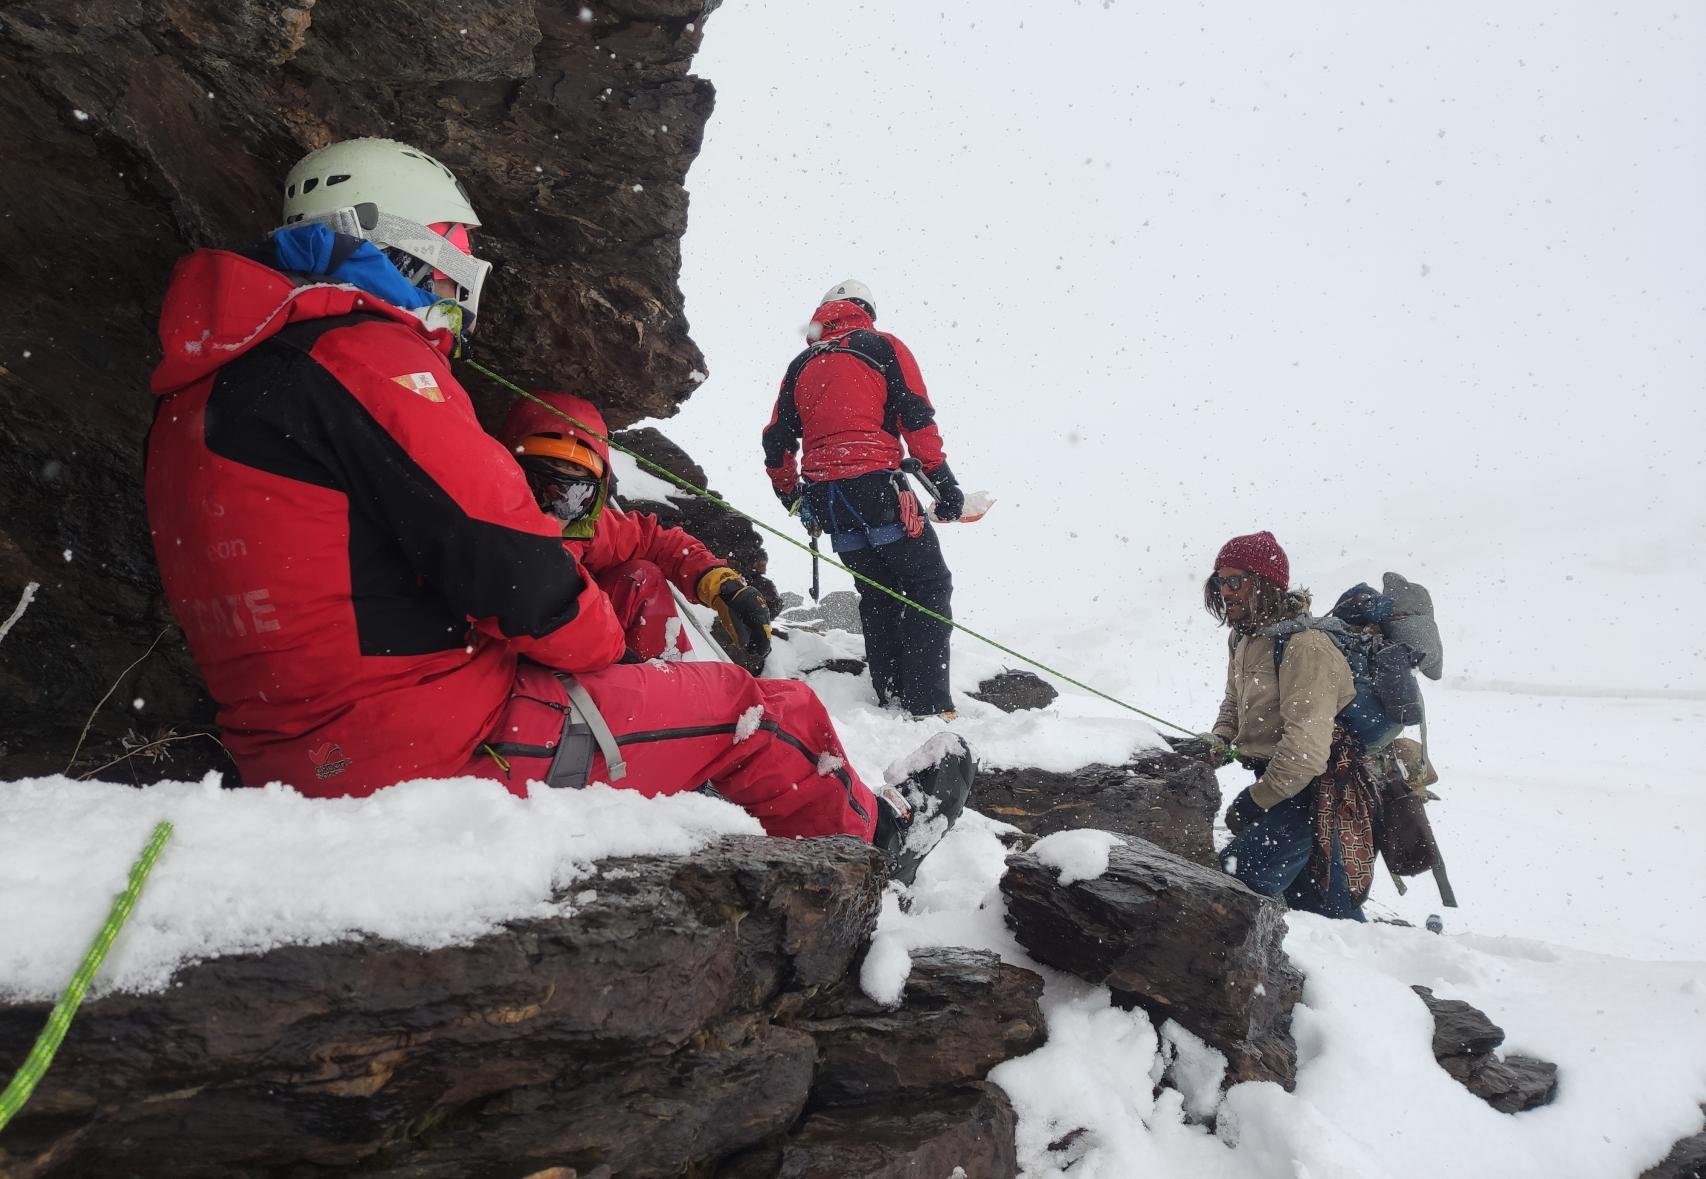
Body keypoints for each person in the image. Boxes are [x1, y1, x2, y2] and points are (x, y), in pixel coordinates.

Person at [143, 137, 969, 865]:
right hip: (427, 748)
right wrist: (606, 648)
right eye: (456, 251)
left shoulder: (198, 397)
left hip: (297, 748)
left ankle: (685, 760)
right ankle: (870, 853)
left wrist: (711, 570)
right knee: (765, 713)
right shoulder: (364, 358)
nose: (464, 277)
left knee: (639, 615)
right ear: (405, 246)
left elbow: (388, 570)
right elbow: (519, 572)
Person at [761, 280, 964, 719]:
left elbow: (776, 439)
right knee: (928, 587)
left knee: (878, 595)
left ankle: (890, 695)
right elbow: (916, 416)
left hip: (828, 501)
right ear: (865, 310)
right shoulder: (881, 345)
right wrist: (945, 485)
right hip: (877, 487)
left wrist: (789, 493)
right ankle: (928, 705)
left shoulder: (802, 364)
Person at [499, 389, 771, 664]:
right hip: (516, 682)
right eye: (534, 488)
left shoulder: (584, 529)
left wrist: (720, 585)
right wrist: (614, 656)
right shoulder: (477, 538)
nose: (552, 512)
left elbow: (655, 540)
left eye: (574, 495)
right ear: (504, 475)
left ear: (593, 501)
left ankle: (668, 682)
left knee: (641, 577)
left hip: (588, 667)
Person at [1200, 531, 1378, 920]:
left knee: (1237, 879)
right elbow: (1234, 702)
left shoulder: (1306, 647)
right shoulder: (1244, 638)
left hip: (1314, 790)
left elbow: (1307, 752)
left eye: (1236, 580)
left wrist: (1256, 800)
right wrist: (1220, 739)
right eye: (1219, 580)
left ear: (1264, 584)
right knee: (1313, 907)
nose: (1225, 591)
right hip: (1282, 782)